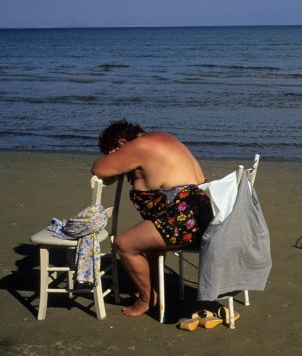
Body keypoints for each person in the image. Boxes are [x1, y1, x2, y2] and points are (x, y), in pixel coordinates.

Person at [91, 119, 213, 317]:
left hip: (185, 221)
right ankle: (153, 292)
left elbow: (99, 168)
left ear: (122, 143)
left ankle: (146, 300)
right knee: (147, 243)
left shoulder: (138, 146)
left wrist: (112, 159)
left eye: (113, 151)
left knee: (124, 244)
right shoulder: (162, 138)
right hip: (203, 216)